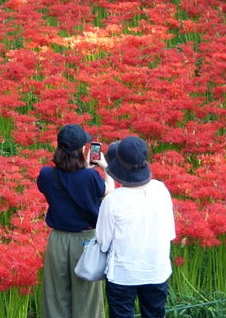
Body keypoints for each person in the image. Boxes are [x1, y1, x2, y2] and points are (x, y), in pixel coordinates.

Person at [36, 124, 115, 318]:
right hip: (86, 242)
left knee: (55, 296)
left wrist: (83, 171)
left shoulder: (46, 174)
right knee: (86, 298)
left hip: (57, 241)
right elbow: (109, 192)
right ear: (81, 150)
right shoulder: (89, 177)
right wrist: (106, 168)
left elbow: (65, 182)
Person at [96, 136, 176, 318]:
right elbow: (170, 234)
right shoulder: (161, 190)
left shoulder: (112, 200)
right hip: (156, 269)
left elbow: (103, 243)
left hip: (123, 274)